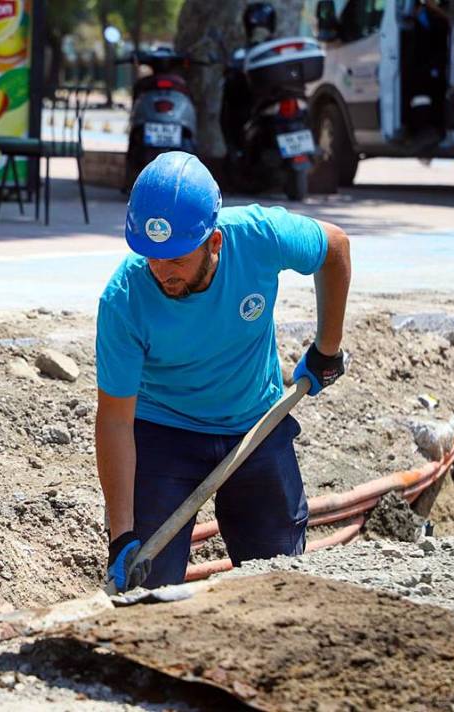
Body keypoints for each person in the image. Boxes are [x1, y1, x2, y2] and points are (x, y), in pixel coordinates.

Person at [96, 152, 351, 592]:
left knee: (278, 580)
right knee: (147, 588)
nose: (161, 272)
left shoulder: (258, 237)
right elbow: (115, 420)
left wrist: (327, 348)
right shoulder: (124, 299)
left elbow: (336, 248)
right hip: (163, 432)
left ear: (214, 243)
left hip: (255, 424)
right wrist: (121, 536)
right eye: (150, 256)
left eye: (175, 259)